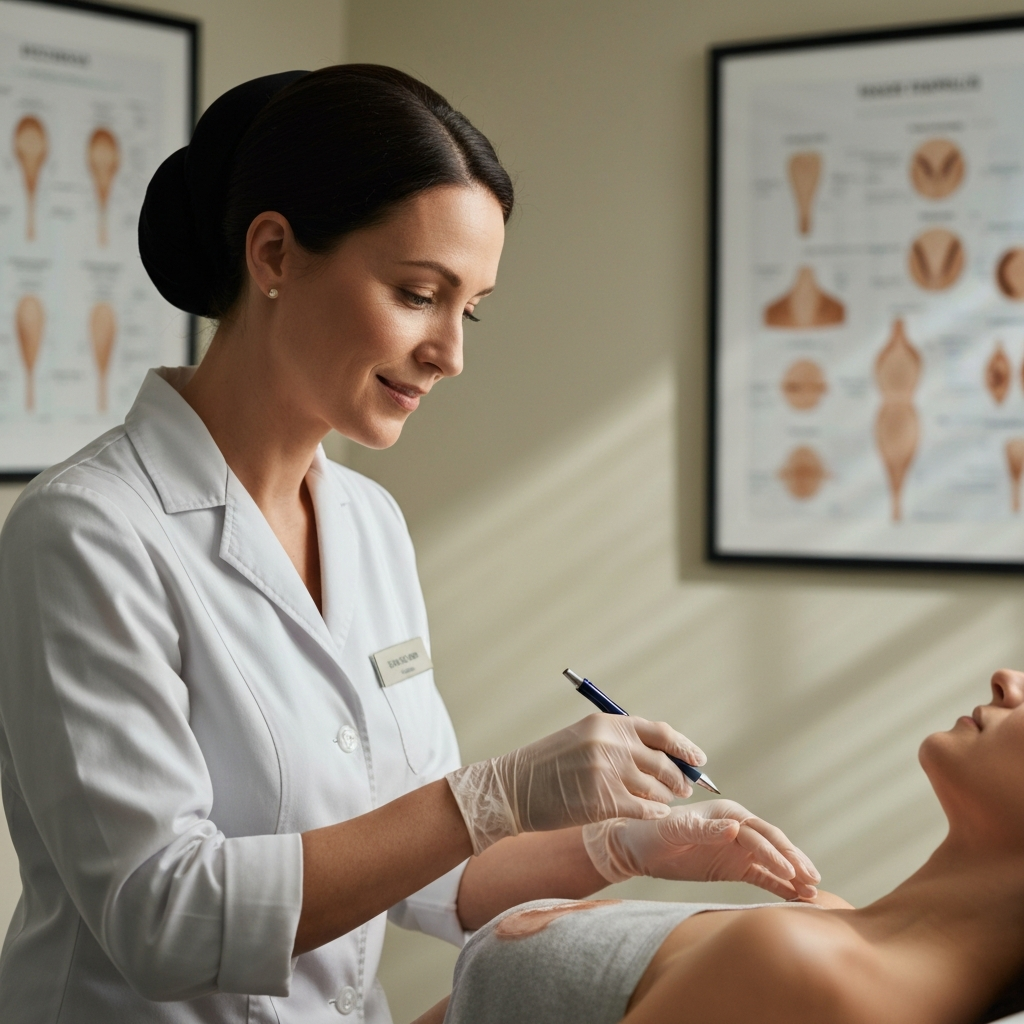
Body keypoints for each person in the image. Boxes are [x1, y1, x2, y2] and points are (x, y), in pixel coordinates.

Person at [0, 66, 819, 1023]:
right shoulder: (89, 532)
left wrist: (629, 848)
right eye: (418, 293)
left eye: (467, 308)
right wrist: (492, 793)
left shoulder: (367, 525)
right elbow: (162, 918)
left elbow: (428, 876)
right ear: (274, 252)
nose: (450, 353)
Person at [416, 667, 1024, 1024]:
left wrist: (495, 800)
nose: (1008, 679)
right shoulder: (827, 919)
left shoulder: (809, 969)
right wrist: (618, 849)